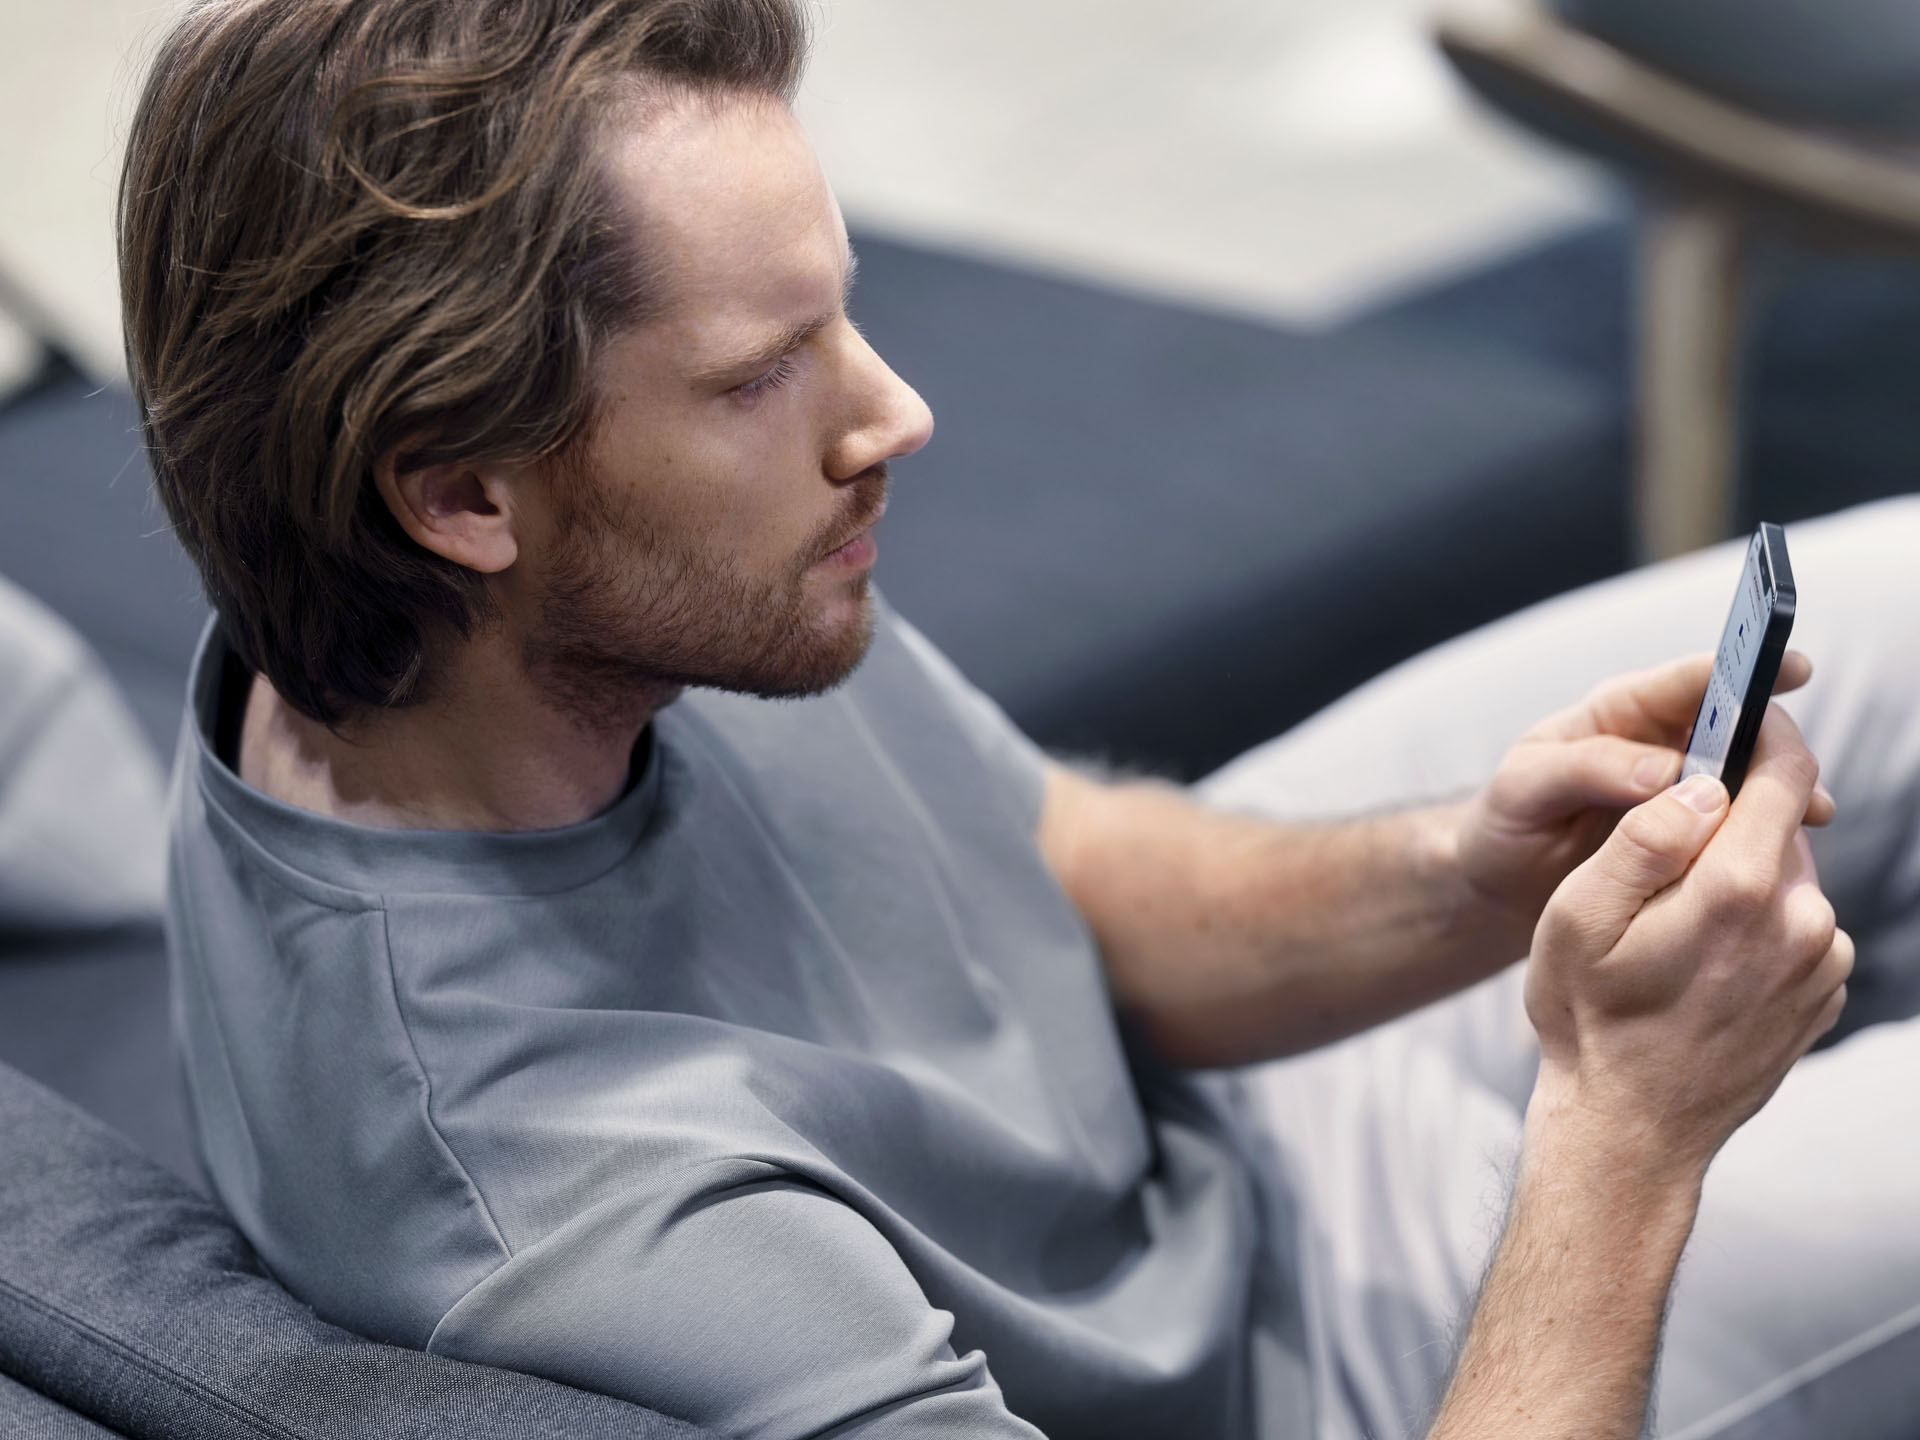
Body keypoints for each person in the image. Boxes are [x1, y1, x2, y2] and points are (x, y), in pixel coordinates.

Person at [121, 0, 1920, 1436]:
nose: (891, 414)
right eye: (764, 377)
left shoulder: (517, 629)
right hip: (1349, 1384)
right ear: (461, 499)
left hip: (1227, 1136)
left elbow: (1056, 867)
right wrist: (1623, 1125)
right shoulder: (579, 1211)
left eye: (840, 321)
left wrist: (1474, 873)